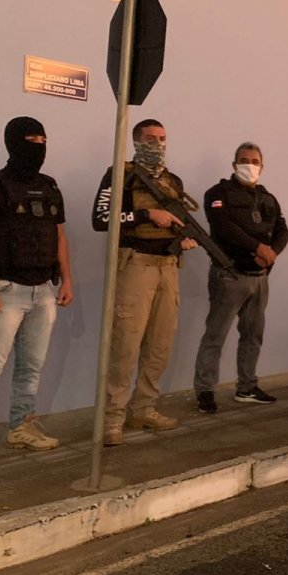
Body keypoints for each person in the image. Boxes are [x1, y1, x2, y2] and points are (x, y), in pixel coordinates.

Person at [0, 116, 74, 468]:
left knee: (31, 368)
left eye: (43, 137)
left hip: (44, 291)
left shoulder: (50, 186)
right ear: (13, 141)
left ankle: (21, 428)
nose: (38, 144)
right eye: (30, 137)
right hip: (4, 291)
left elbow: (58, 236)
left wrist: (66, 279)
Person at [92, 119, 197, 445]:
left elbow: (181, 219)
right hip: (135, 265)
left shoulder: (172, 181)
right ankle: (111, 420)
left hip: (168, 267)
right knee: (125, 344)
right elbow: (101, 219)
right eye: (150, 138)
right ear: (137, 141)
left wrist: (183, 236)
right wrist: (146, 216)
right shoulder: (119, 174)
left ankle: (144, 408)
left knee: (160, 345)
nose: (157, 143)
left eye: (163, 138)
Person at [193, 142, 288, 413]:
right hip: (229, 275)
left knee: (253, 335)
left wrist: (272, 253)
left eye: (255, 161)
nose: (250, 165)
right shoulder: (217, 193)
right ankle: (205, 391)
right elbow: (224, 228)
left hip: (259, 277)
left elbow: (283, 229)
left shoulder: (267, 197)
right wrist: (258, 247)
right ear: (234, 164)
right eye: (244, 160)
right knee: (215, 335)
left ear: (262, 166)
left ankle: (247, 387)